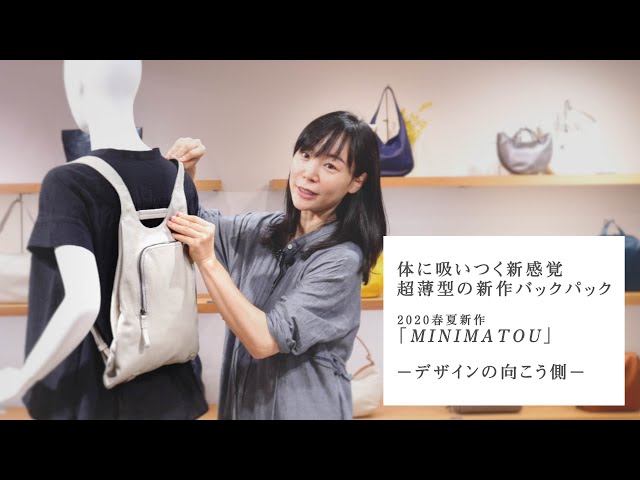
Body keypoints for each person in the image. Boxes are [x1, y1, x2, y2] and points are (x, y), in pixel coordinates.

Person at [0, 60, 208, 419]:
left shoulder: (68, 182)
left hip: (98, 394)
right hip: (174, 387)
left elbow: (82, 304)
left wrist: (21, 378)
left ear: (79, 87)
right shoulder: (179, 179)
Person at [166, 111, 387, 419]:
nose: (309, 173)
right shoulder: (262, 229)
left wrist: (207, 261)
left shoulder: (341, 260)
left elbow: (263, 340)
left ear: (356, 181)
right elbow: (193, 224)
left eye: (330, 165)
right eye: (305, 155)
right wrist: (184, 177)